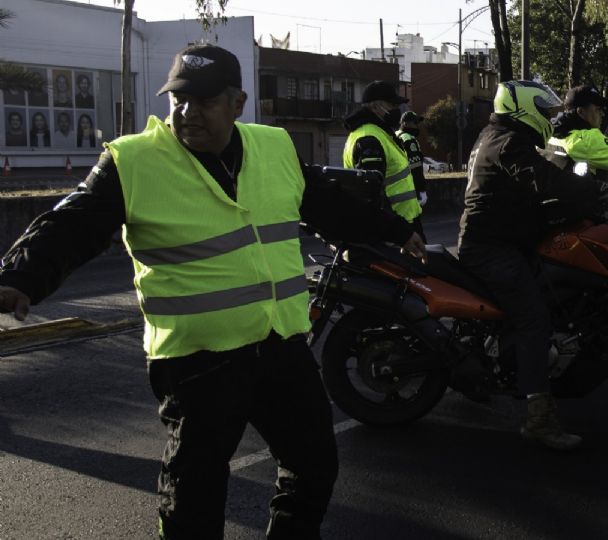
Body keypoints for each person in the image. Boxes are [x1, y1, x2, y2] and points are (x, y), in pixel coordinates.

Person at [0, 43, 425, 539]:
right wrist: (18, 277)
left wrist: (396, 230)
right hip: (197, 362)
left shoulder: (273, 148)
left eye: (203, 101)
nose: (187, 112)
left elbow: (328, 205)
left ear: (238, 102)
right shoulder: (133, 161)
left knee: (314, 466)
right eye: (178, 99)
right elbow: (70, 225)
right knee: (194, 496)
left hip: (279, 345)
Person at [457, 80, 600, 450]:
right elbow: (545, 178)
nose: (549, 117)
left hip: (499, 241)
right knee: (535, 319)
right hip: (491, 247)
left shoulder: (498, 135)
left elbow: (532, 185)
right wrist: (596, 191)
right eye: (543, 109)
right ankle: (539, 419)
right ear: (522, 108)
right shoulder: (508, 143)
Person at [343, 81, 424, 236]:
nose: (396, 111)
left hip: (402, 224)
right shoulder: (369, 139)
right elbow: (371, 196)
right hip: (396, 230)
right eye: (392, 106)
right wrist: (400, 234)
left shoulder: (379, 133)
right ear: (375, 106)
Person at [395, 110, 429, 240]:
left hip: (396, 191)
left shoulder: (395, 135)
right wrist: (422, 190)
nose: (417, 126)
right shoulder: (409, 140)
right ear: (404, 123)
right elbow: (415, 168)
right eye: (414, 123)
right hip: (410, 192)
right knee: (417, 238)